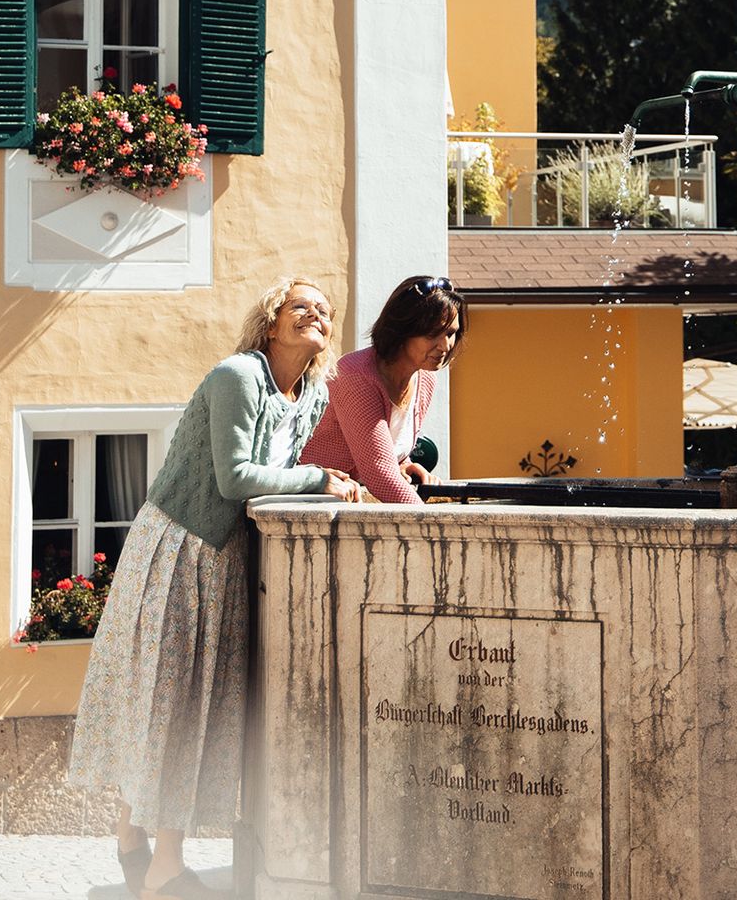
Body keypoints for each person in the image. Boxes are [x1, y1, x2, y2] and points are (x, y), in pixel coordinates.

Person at [65, 277, 361, 900]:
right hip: (183, 545)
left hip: (222, 559)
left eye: (325, 311)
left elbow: (301, 462)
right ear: (271, 321)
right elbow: (234, 479)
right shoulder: (237, 376)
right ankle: (165, 867)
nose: (316, 315)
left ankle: (132, 841)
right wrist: (319, 480)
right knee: (172, 699)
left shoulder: (309, 391)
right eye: (301, 306)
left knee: (180, 702)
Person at [300, 275, 465, 503]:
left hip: (351, 501)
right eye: (432, 334)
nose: (445, 345)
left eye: (450, 333)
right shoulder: (355, 375)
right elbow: (379, 476)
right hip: (306, 502)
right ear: (402, 330)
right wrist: (435, 530)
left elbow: (381, 458)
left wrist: (403, 464)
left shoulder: (425, 378)